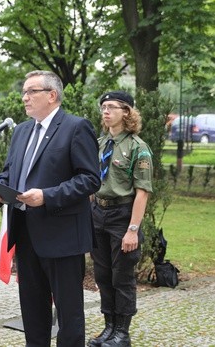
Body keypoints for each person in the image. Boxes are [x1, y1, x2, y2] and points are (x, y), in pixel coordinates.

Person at [0, 70, 101, 346]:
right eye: (23, 91)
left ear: (52, 95)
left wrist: (47, 196)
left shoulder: (76, 127)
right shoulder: (22, 131)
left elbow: (90, 178)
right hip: (25, 233)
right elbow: (10, 174)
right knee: (33, 312)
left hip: (62, 236)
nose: (24, 97)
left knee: (69, 314)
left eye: (30, 91)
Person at [88, 91, 153, 347]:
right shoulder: (100, 144)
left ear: (126, 112)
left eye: (111, 107)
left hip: (122, 216)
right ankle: (109, 328)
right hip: (98, 214)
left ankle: (122, 333)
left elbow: (143, 192)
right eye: (103, 107)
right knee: (103, 275)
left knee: (122, 277)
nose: (105, 111)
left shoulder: (138, 147)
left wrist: (133, 230)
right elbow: (93, 184)